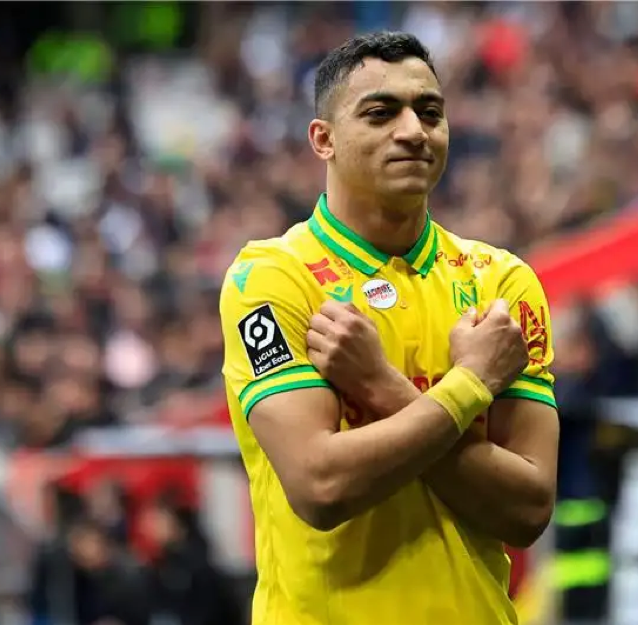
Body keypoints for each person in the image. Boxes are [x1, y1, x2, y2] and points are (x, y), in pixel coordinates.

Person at [219, 31, 559, 625]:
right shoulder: (271, 279)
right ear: (323, 139)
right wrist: (471, 383)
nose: (413, 131)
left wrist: (381, 388)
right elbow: (321, 487)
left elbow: (528, 511)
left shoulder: (501, 284)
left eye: (430, 112)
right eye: (380, 113)